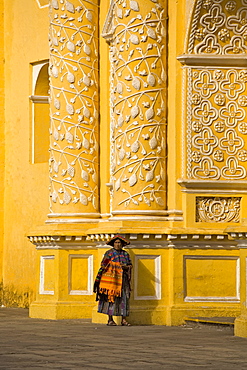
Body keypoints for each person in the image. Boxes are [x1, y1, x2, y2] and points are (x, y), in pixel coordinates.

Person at [93, 234, 132, 326]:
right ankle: (110, 319)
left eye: (119, 243)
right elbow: (103, 265)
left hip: (123, 280)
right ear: (113, 244)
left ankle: (124, 319)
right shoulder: (109, 253)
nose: (118, 244)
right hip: (111, 281)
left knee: (124, 298)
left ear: (122, 244)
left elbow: (130, 265)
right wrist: (114, 266)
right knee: (110, 299)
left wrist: (125, 266)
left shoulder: (125, 254)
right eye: (116, 242)